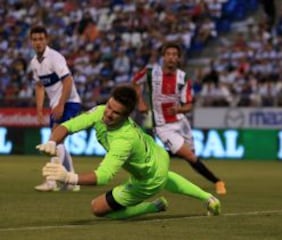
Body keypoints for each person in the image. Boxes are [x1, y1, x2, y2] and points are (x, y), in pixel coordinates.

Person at [37, 85, 221, 219]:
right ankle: (208, 198)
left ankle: (153, 207)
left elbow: (103, 176)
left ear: (126, 117)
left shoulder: (123, 140)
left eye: (115, 113)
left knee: (98, 209)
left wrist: (69, 178)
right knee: (164, 174)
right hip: (158, 155)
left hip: (148, 179)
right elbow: (68, 126)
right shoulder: (100, 111)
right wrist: (53, 141)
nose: (108, 114)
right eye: (109, 106)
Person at [132, 41, 226, 195]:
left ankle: (153, 157)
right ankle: (218, 181)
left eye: (174, 55)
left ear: (179, 59)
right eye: (168, 54)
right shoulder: (150, 72)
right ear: (163, 57)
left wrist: (179, 108)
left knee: (191, 156)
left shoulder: (183, 78)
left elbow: (189, 105)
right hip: (162, 126)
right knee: (188, 155)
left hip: (181, 122)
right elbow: (135, 82)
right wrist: (140, 101)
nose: (171, 58)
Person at [29, 25, 81, 192]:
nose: (38, 42)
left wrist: (61, 104)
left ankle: (51, 181)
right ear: (31, 42)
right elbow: (39, 86)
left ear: (46, 40)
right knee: (59, 142)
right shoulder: (34, 63)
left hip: (69, 102)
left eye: (41, 39)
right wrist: (39, 110)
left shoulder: (55, 57)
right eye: (35, 39)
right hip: (55, 105)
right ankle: (72, 181)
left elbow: (68, 81)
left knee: (55, 140)